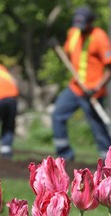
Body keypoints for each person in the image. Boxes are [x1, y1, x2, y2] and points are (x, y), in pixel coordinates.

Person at [52, 6, 111, 161]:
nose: (80, 28)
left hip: (93, 90)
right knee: (58, 115)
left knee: (97, 126)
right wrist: (55, 45)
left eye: (83, 24)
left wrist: (97, 87)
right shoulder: (73, 32)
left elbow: (109, 68)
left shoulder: (99, 37)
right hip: (75, 87)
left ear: (91, 22)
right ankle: (64, 154)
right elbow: (66, 54)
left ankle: (107, 157)